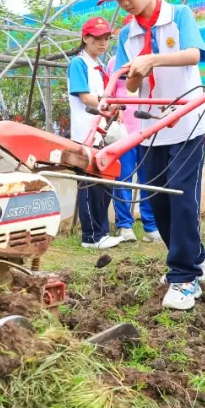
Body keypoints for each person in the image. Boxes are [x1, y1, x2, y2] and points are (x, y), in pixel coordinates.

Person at [105, 0, 205, 312]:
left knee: (182, 199)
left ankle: (184, 278)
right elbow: (132, 83)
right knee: (158, 201)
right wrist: (135, 73)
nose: (125, 2)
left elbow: (195, 54)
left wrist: (152, 59)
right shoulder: (127, 34)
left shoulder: (178, 15)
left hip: (185, 123)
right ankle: (196, 259)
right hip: (151, 125)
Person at [68, 16, 122, 250]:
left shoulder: (99, 66)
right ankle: (91, 236)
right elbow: (85, 96)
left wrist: (112, 109)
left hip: (102, 131)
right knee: (89, 185)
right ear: (85, 38)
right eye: (97, 38)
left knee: (105, 182)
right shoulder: (79, 64)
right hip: (86, 132)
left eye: (106, 39)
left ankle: (102, 232)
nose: (102, 43)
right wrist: (107, 104)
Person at [106, 53, 161, 244]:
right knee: (123, 179)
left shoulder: (154, 58)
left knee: (149, 180)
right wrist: (113, 110)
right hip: (124, 133)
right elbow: (110, 92)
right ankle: (125, 225)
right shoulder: (116, 61)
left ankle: (151, 227)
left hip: (147, 132)